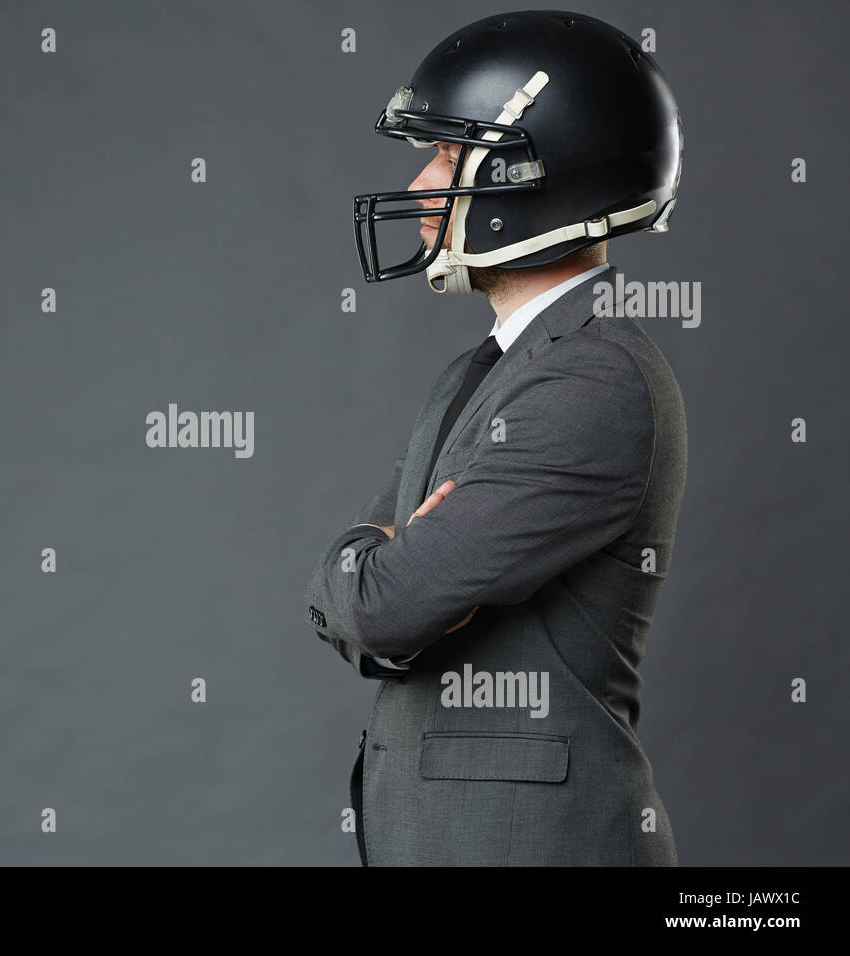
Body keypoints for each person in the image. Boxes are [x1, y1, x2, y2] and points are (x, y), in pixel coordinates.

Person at [304, 10, 687, 865]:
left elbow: (383, 605)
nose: (417, 185)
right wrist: (384, 561)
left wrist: (393, 567)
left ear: (533, 176)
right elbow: (360, 591)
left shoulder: (593, 382)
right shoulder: (484, 371)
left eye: (446, 154)